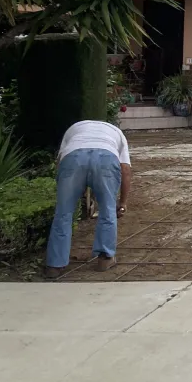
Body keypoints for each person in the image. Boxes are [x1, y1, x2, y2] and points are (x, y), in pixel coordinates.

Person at [44, 119, 132, 278]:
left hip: (73, 157)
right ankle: (105, 258)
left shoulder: (74, 128)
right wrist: (123, 203)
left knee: (63, 213)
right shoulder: (118, 133)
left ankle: (54, 265)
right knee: (107, 210)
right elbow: (125, 169)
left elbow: (60, 163)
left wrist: (74, 189)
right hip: (106, 157)